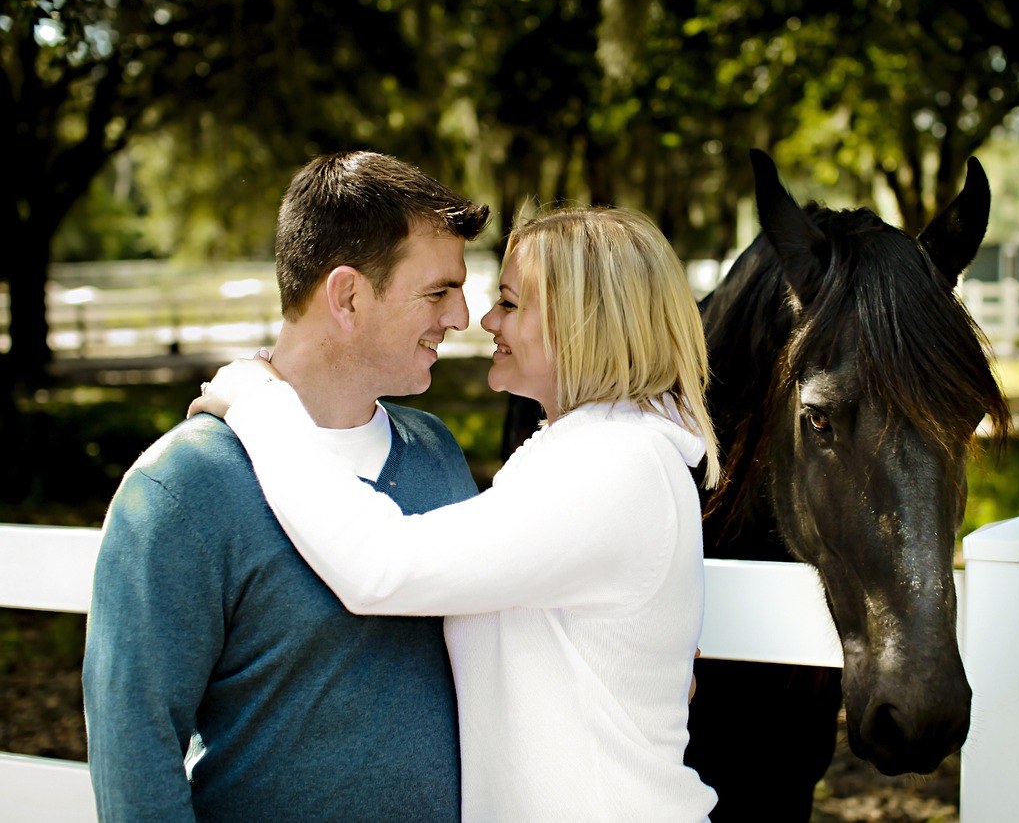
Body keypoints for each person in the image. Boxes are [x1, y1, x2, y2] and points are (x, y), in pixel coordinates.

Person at [190, 206, 722, 820]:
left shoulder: (615, 465)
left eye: (512, 304)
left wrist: (262, 406)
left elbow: (382, 568)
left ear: (587, 326)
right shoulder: (586, 451)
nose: (485, 320)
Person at [82, 151, 490, 821]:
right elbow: (135, 752)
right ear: (348, 296)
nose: (462, 316)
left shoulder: (437, 454)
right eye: (439, 291)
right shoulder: (182, 487)